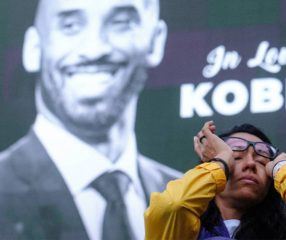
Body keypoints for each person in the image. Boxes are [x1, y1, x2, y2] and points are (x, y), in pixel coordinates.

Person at [0, 0, 181, 239]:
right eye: (70, 25)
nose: (95, 48)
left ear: (155, 41)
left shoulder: (192, 203)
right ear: (33, 48)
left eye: (121, 23)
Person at [145, 121, 286, 239]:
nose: (251, 162)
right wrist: (221, 161)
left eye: (262, 160)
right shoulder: (183, 233)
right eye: (236, 156)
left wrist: (282, 167)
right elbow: (171, 206)